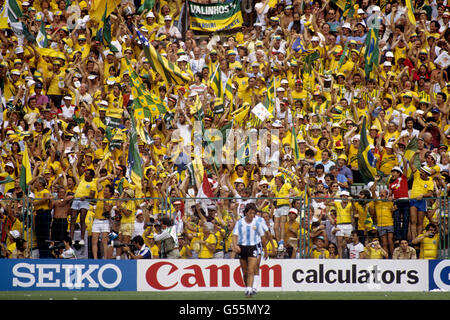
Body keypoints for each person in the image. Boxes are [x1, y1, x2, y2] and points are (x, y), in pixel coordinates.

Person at [232, 202, 271, 297]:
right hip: (242, 248)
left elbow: (263, 237)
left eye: (253, 213)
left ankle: (250, 289)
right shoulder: (240, 223)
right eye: (250, 213)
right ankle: (247, 287)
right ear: (246, 213)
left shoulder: (257, 223)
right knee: (244, 271)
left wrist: (265, 251)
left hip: (253, 247)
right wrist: (235, 245)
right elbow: (234, 235)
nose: (252, 215)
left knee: (251, 270)